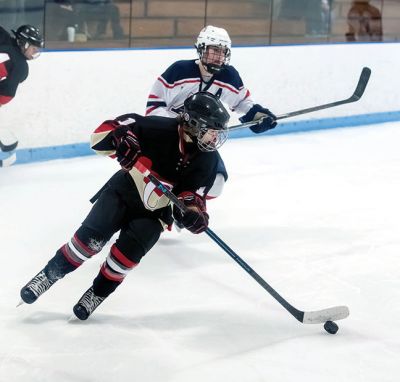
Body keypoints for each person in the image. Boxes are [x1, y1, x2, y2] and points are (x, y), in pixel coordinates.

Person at [19, 91, 230, 320]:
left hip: (155, 213)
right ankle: (48, 275)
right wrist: (120, 138)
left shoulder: (208, 159)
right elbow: (102, 136)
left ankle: (97, 293)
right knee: (86, 243)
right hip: (122, 193)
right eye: (212, 131)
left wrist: (193, 214)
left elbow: (193, 196)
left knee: (124, 260)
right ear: (192, 123)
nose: (215, 139)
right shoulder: (154, 128)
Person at [146, 25, 277, 197]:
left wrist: (257, 115)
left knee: (216, 183)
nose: (219, 56)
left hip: (200, 142)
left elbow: (242, 102)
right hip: (169, 138)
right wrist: (183, 125)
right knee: (159, 186)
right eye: (214, 50)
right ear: (201, 49)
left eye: (223, 52)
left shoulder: (228, 76)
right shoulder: (179, 71)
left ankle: (189, 203)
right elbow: (153, 109)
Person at [0, 24, 43, 106]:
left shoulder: (4, 37)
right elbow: (5, 96)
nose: (35, 52)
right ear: (24, 43)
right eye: (34, 48)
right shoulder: (21, 66)